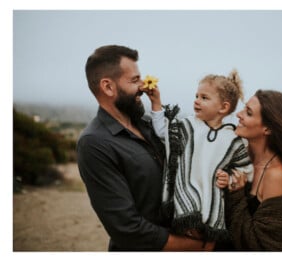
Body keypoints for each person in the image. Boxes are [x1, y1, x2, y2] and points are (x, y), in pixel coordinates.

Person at [77, 44, 211, 251]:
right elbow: (127, 229)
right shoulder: (94, 143)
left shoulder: (149, 124)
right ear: (108, 87)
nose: (143, 86)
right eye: (134, 80)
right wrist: (200, 247)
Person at [143, 70, 253, 246]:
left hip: (214, 198)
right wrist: (156, 103)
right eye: (196, 96)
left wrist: (230, 178)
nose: (196, 100)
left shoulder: (233, 139)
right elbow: (164, 132)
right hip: (184, 195)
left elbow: (246, 170)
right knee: (189, 241)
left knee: (207, 244)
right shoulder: (188, 125)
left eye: (204, 97)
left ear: (223, 107)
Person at [214, 90, 282, 250]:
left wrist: (236, 195)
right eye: (244, 108)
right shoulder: (239, 157)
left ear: (267, 129)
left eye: (248, 113)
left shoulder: (276, 175)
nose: (238, 114)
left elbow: (261, 246)